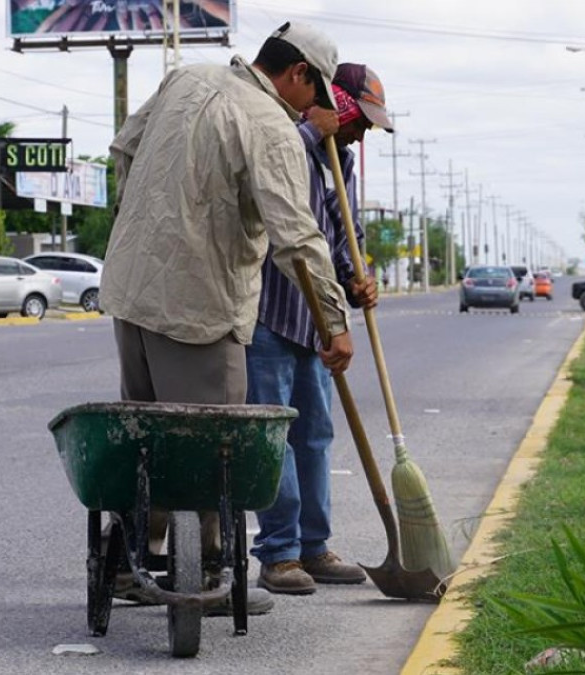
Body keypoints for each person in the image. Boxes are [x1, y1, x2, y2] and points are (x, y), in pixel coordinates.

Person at [100, 22, 356, 615]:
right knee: (209, 449)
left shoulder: (185, 79)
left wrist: (141, 222)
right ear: (297, 74)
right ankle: (207, 578)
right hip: (199, 303)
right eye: (315, 92)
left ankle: (129, 564)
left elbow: (124, 149)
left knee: (145, 441)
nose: (312, 106)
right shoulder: (269, 124)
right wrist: (333, 322)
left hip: (132, 290)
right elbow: (297, 237)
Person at [248, 63, 394, 595]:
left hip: (317, 318)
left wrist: (360, 278)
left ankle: (314, 546)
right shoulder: (284, 138)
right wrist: (312, 133)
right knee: (276, 440)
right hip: (270, 311)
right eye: (362, 120)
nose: (365, 132)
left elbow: (341, 230)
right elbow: (272, 198)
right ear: (339, 108)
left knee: (315, 436)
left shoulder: (341, 161)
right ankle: (280, 553)